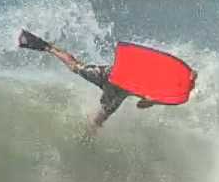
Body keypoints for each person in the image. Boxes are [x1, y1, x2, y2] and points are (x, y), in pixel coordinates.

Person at [18, 30, 156, 135]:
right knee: (75, 66)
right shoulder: (141, 68)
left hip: (116, 94)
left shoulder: (150, 86)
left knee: (97, 121)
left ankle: (86, 137)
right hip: (107, 75)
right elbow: (124, 56)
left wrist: (150, 101)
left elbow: (141, 104)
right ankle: (46, 46)